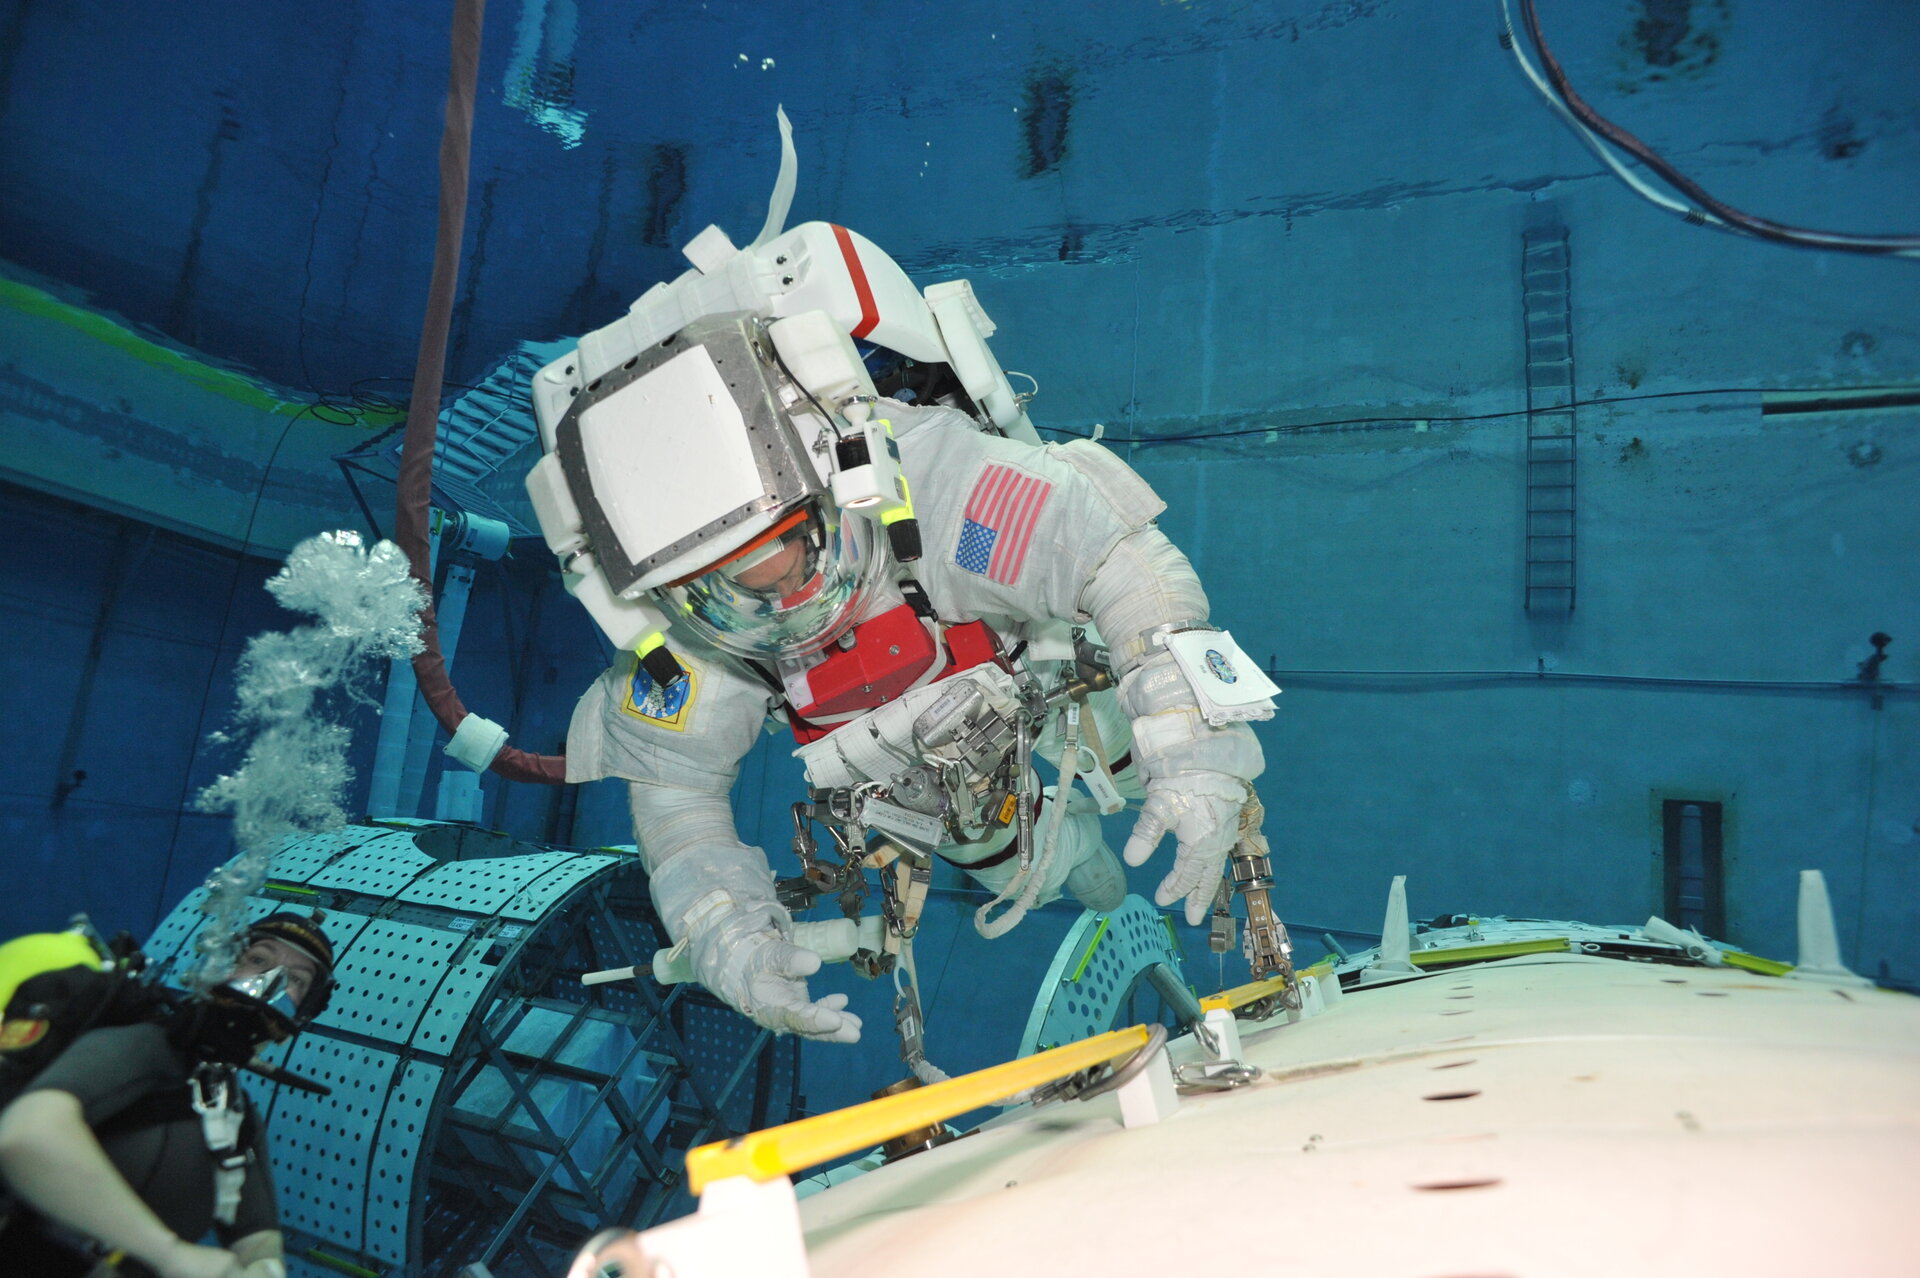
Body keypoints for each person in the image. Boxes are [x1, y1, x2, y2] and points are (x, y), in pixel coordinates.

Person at [515, 118, 1274, 1050]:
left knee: (1123, 743)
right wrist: (723, 935)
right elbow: (674, 801)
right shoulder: (686, 642)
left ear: (840, 471)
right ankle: (1081, 868)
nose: (774, 606)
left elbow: (1121, 563)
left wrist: (1187, 744)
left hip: (1035, 656)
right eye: (720, 586)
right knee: (1026, 861)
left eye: (785, 557)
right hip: (932, 773)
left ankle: (1132, 782)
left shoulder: (943, 491)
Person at [0, 912, 336, 1278]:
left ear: (305, 1011)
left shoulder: (232, 1112)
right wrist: (172, 1255)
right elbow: (27, 1135)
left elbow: (257, 1235)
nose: (269, 983)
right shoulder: (146, 1045)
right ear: (223, 964)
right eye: (258, 960)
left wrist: (264, 1268)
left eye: (296, 980)